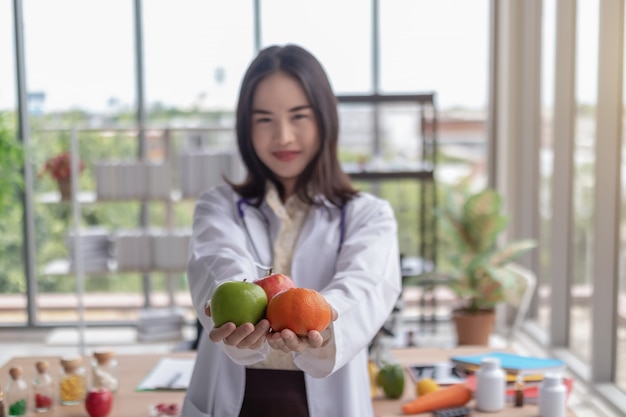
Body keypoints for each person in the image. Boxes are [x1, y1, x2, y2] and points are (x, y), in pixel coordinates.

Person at [181, 44, 401, 417]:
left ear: (325, 119)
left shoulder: (369, 215)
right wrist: (238, 311)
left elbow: (366, 285)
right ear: (245, 126)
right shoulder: (218, 206)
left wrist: (322, 319)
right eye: (264, 119)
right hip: (234, 401)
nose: (282, 136)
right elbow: (219, 261)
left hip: (326, 399)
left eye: (299, 116)